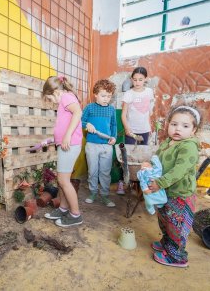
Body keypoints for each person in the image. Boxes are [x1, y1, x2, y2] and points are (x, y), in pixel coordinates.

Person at [147, 105, 201, 268]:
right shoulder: (168, 142)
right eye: (174, 124)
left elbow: (180, 170)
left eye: (185, 126)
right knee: (165, 220)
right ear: (168, 124)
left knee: (176, 226)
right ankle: (167, 243)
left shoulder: (188, 146)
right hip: (167, 192)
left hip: (180, 195)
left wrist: (160, 183)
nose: (178, 129)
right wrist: (148, 165)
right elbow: (157, 159)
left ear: (193, 130)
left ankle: (177, 256)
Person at [42, 76, 83, 227]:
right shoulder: (64, 100)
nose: (51, 101)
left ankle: (75, 215)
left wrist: (66, 136)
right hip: (65, 144)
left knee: (63, 180)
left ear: (55, 91)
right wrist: (54, 139)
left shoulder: (66, 97)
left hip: (69, 144)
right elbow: (65, 123)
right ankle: (63, 208)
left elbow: (78, 113)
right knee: (62, 180)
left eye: (49, 97)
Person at [117, 66, 155, 195]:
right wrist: (127, 129)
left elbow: (149, 112)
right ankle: (124, 182)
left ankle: (140, 185)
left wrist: (150, 128)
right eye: (135, 80)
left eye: (140, 79)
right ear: (131, 80)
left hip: (144, 131)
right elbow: (123, 114)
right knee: (127, 158)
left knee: (142, 160)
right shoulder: (129, 94)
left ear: (145, 79)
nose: (137, 82)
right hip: (131, 131)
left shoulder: (149, 92)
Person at [81, 79, 117, 207]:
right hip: (92, 145)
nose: (106, 99)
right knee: (93, 171)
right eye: (103, 96)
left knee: (105, 172)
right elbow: (80, 121)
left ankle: (105, 195)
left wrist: (114, 137)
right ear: (95, 94)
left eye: (109, 96)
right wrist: (87, 124)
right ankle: (93, 192)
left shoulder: (111, 109)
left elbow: (113, 125)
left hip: (107, 145)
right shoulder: (89, 108)